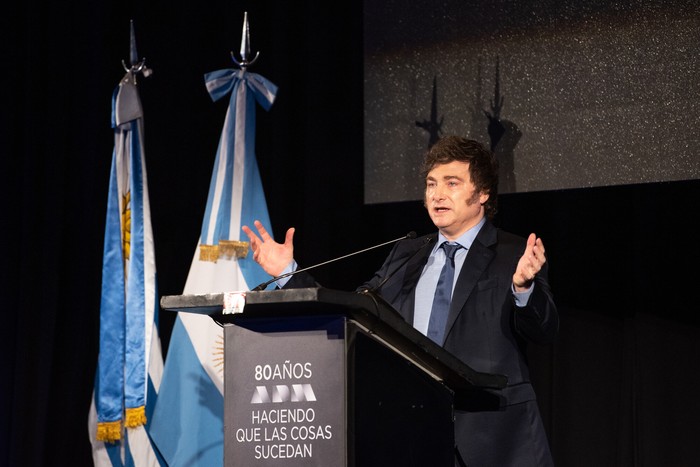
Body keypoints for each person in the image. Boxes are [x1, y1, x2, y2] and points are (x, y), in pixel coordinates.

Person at [243, 135, 558, 466]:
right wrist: (289, 272)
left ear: (482, 193)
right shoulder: (407, 254)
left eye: (452, 183)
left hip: (496, 439)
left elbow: (544, 330)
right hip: (414, 432)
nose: (437, 194)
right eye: (431, 184)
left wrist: (523, 288)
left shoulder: (513, 253)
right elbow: (356, 311)